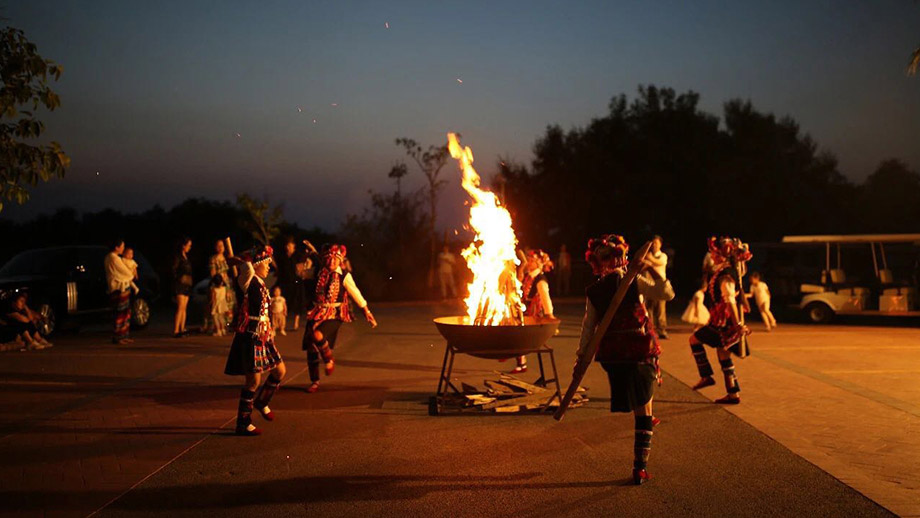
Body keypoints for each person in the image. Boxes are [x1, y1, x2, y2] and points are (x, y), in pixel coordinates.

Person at [577, 234, 661, 485]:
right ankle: (640, 467)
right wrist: (651, 271)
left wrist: (581, 357)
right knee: (643, 409)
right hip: (636, 352)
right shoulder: (631, 281)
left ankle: (647, 422)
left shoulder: (597, 289)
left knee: (644, 397)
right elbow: (667, 292)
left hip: (613, 357)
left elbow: (588, 327)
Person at [224, 245, 286, 436]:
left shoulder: (261, 283)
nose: (269, 267)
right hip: (251, 335)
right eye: (266, 263)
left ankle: (262, 402)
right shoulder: (247, 281)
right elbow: (247, 268)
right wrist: (242, 261)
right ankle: (243, 422)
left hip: (264, 336)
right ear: (256, 264)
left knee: (280, 371)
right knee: (253, 381)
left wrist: (271, 329)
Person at [301, 244, 377, 393]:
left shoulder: (344, 275)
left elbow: (355, 293)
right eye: (329, 259)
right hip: (317, 311)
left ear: (340, 260)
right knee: (311, 346)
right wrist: (306, 260)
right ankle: (315, 381)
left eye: (335, 259)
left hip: (335, 313)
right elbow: (301, 274)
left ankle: (329, 359)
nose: (332, 262)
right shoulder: (318, 271)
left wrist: (366, 311)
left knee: (317, 335)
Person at [688, 237, 752, 405]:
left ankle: (706, 376)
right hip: (724, 322)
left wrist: (738, 325)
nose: (711, 256)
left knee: (694, 340)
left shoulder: (726, 275)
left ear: (721, 255)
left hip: (723, 323)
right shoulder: (726, 271)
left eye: (714, 253)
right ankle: (733, 393)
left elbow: (730, 301)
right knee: (723, 355)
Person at [513, 249, 555, 374]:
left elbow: (545, 297)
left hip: (535, 313)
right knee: (515, 331)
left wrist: (549, 314)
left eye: (532, 261)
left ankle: (520, 360)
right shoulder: (529, 276)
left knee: (519, 336)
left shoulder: (540, 279)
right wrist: (521, 268)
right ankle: (519, 360)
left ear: (538, 264)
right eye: (529, 260)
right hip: (526, 310)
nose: (529, 262)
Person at [104, 239, 135, 345]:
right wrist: (131, 273)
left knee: (125, 312)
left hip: (121, 287)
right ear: (116, 247)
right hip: (119, 288)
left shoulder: (112, 257)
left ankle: (124, 335)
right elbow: (125, 272)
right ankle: (118, 336)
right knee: (120, 313)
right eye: (122, 246)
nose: (123, 249)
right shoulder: (113, 258)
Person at [641, 235, 670, 339]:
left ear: (660, 244)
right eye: (653, 243)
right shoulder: (647, 255)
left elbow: (658, 262)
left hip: (660, 286)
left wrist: (648, 258)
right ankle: (651, 330)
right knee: (649, 309)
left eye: (656, 243)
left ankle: (662, 330)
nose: (654, 245)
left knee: (660, 309)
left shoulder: (663, 256)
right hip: (649, 285)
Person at [275, 237, 305, 332]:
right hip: (285, 281)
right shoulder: (283, 256)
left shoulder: (298, 255)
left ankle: (296, 323)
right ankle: (280, 323)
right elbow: (279, 268)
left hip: (296, 281)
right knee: (283, 301)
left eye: (289, 245)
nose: (287, 247)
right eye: (286, 245)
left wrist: (300, 271)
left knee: (297, 301)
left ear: (293, 245)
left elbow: (301, 268)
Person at [172, 237, 193, 338]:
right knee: (180, 307)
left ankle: (182, 328)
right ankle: (176, 330)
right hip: (180, 284)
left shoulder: (186, 257)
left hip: (187, 284)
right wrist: (179, 278)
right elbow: (174, 269)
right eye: (188, 245)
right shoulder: (178, 257)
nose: (189, 247)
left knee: (184, 307)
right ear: (183, 246)